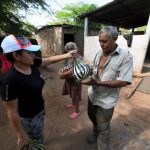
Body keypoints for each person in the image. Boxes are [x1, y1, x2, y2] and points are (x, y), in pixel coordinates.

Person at [0, 34, 77, 148]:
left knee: (39, 137)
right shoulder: (9, 80)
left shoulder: (30, 63)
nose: (33, 55)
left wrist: (67, 54)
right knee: (34, 142)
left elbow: (49, 60)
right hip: (28, 119)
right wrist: (20, 135)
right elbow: (11, 112)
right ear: (16, 55)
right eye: (29, 52)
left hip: (39, 111)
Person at [82, 26, 133, 150]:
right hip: (92, 94)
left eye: (105, 41)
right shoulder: (98, 53)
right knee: (92, 117)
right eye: (100, 41)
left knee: (103, 127)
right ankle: (95, 134)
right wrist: (78, 69)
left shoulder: (126, 56)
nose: (101, 44)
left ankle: (103, 147)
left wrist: (99, 83)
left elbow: (124, 81)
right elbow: (93, 70)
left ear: (115, 39)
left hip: (106, 100)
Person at [60, 42, 82, 119]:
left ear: (75, 49)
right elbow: (65, 66)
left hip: (75, 80)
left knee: (75, 96)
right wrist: (62, 72)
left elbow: (74, 69)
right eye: (68, 50)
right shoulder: (67, 57)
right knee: (71, 93)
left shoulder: (78, 57)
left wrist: (63, 73)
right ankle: (72, 104)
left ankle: (77, 111)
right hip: (69, 79)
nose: (70, 52)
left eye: (71, 49)